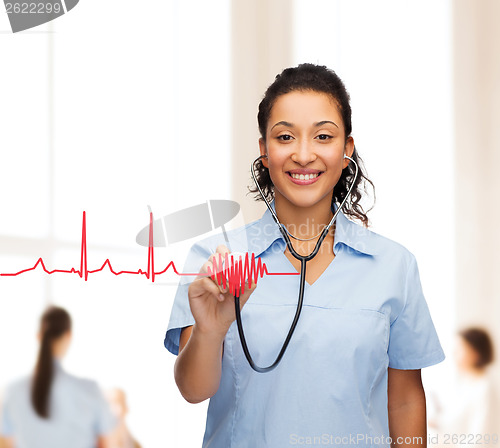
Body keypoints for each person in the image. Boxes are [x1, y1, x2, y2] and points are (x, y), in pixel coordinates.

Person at [165, 63, 446, 447]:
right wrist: (211, 331)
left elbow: (404, 400)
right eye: (284, 137)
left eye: (323, 136)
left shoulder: (395, 266)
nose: (302, 154)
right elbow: (193, 390)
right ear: (264, 151)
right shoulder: (218, 258)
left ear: (346, 149)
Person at [0, 306, 116, 448]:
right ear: (68, 336)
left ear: (39, 336)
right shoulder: (89, 390)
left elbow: (6, 443)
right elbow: (106, 443)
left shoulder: (13, 391)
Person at [430, 327, 496, 444]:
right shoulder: (464, 384)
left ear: (475, 353)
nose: (454, 354)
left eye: (460, 349)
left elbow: (480, 438)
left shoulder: (484, 389)